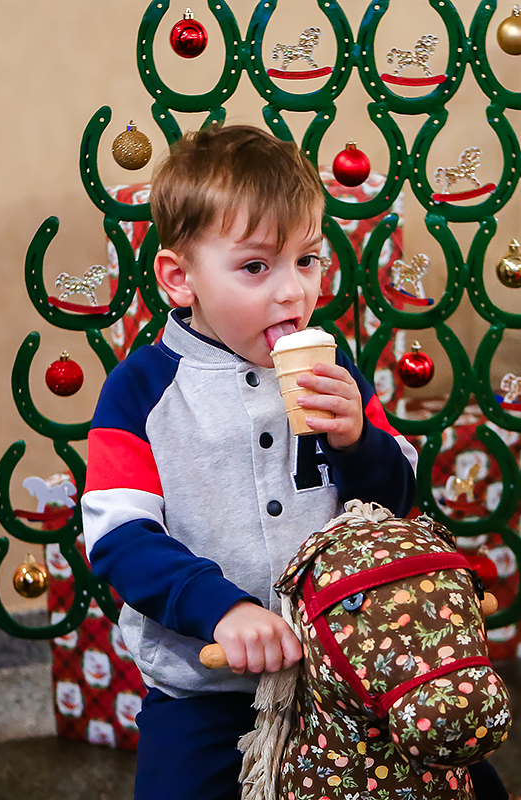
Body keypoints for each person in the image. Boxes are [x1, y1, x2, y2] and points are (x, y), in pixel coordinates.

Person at [81, 124, 419, 800]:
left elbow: (397, 507)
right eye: (257, 267)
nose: (293, 291)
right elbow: (120, 538)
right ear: (180, 278)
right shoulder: (140, 392)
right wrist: (222, 609)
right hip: (205, 687)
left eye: (307, 260)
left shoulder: (335, 373)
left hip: (344, 673)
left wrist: (359, 442)